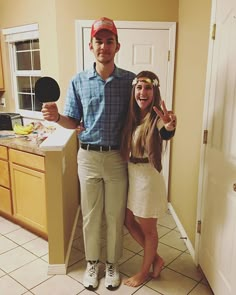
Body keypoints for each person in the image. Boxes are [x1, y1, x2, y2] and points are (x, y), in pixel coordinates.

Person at [41, 17, 135, 291]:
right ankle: (93, 264)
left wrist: (165, 127)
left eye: (109, 41)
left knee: (115, 215)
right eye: (99, 41)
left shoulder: (129, 81)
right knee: (91, 216)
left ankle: (113, 264)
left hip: (118, 159)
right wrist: (58, 117)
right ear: (91, 45)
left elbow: (141, 117)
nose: (104, 46)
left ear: (117, 46)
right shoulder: (78, 81)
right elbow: (72, 120)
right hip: (88, 157)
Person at [120, 70, 177, 287]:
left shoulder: (157, 118)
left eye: (148, 88)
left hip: (148, 182)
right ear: (134, 90)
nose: (143, 92)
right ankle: (156, 259)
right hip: (133, 179)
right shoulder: (132, 117)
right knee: (127, 221)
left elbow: (167, 131)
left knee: (149, 231)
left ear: (155, 91)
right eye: (139, 88)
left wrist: (170, 125)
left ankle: (144, 272)